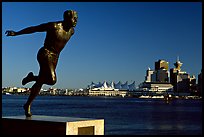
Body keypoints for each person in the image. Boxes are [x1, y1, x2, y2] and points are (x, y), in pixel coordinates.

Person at [5, 10, 78, 117]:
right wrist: (16, 33)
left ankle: (27, 104)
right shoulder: (54, 26)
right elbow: (34, 29)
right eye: (74, 18)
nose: (76, 21)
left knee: (40, 82)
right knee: (52, 80)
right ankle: (32, 78)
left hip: (55, 57)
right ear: (66, 18)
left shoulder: (72, 31)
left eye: (77, 18)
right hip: (45, 53)